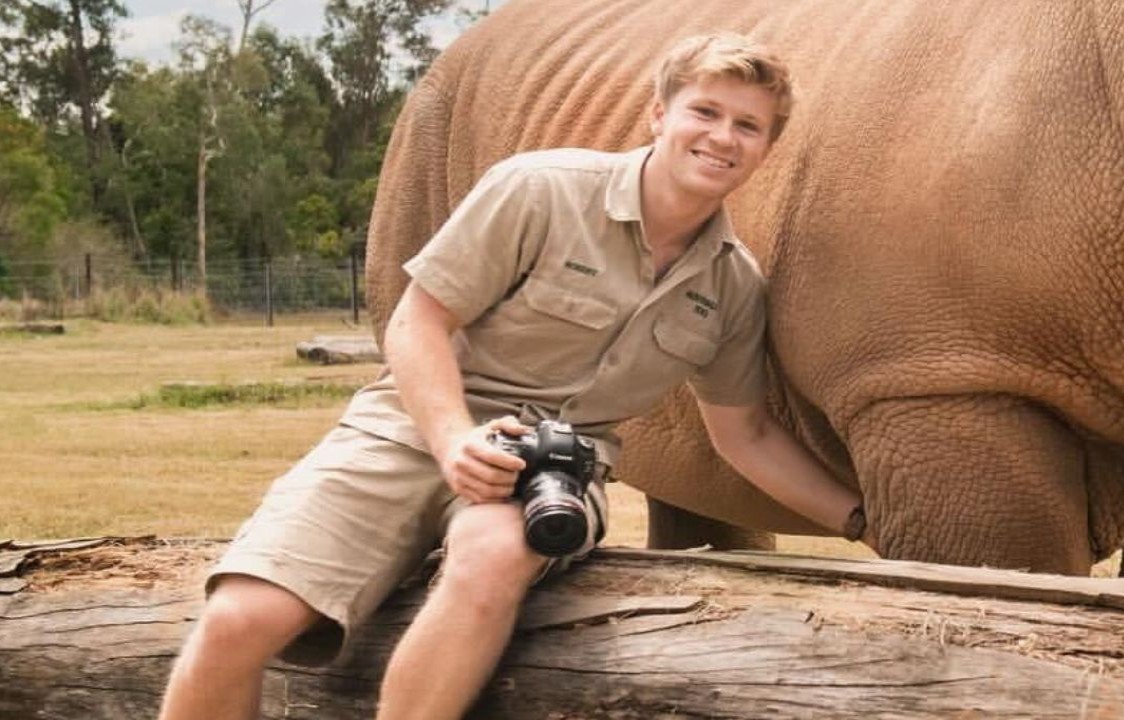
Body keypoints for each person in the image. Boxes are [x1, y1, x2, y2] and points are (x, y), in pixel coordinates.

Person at [158, 32, 866, 720]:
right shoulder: (540, 190)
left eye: (748, 125)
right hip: (411, 430)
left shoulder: (732, 285)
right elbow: (418, 322)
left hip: (554, 468)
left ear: (767, 148)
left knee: (492, 557)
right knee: (238, 621)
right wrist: (452, 441)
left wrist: (861, 518)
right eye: (705, 112)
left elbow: (746, 434)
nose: (723, 137)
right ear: (660, 114)